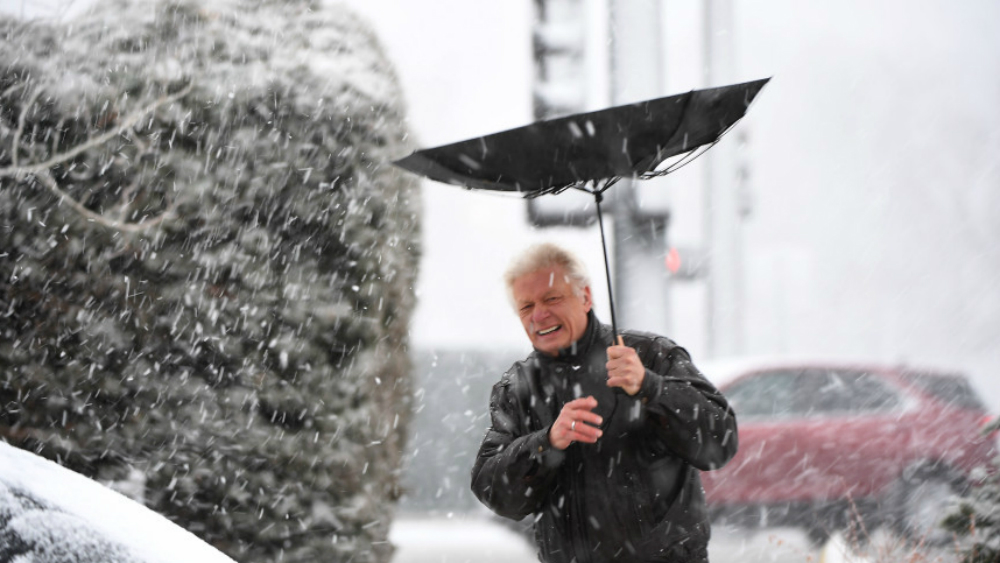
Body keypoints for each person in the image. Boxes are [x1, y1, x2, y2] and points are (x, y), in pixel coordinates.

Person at [471, 243, 738, 563]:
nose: (539, 315)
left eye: (552, 298)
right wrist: (546, 443)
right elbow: (494, 492)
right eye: (526, 306)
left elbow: (719, 443)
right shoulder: (519, 388)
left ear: (585, 297)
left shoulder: (651, 355)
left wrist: (651, 387)